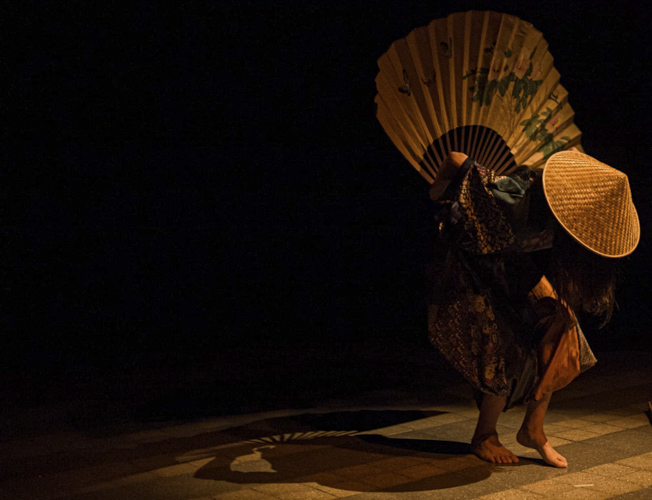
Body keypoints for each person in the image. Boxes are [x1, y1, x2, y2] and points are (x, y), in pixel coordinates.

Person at [426, 149, 640, 468]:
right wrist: (439, 194)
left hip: (508, 264)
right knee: (506, 343)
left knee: (563, 329)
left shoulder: (565, 223)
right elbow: (456, 159)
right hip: (467, 263)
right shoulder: (514, 198)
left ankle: (533, 429)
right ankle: (484, 435)